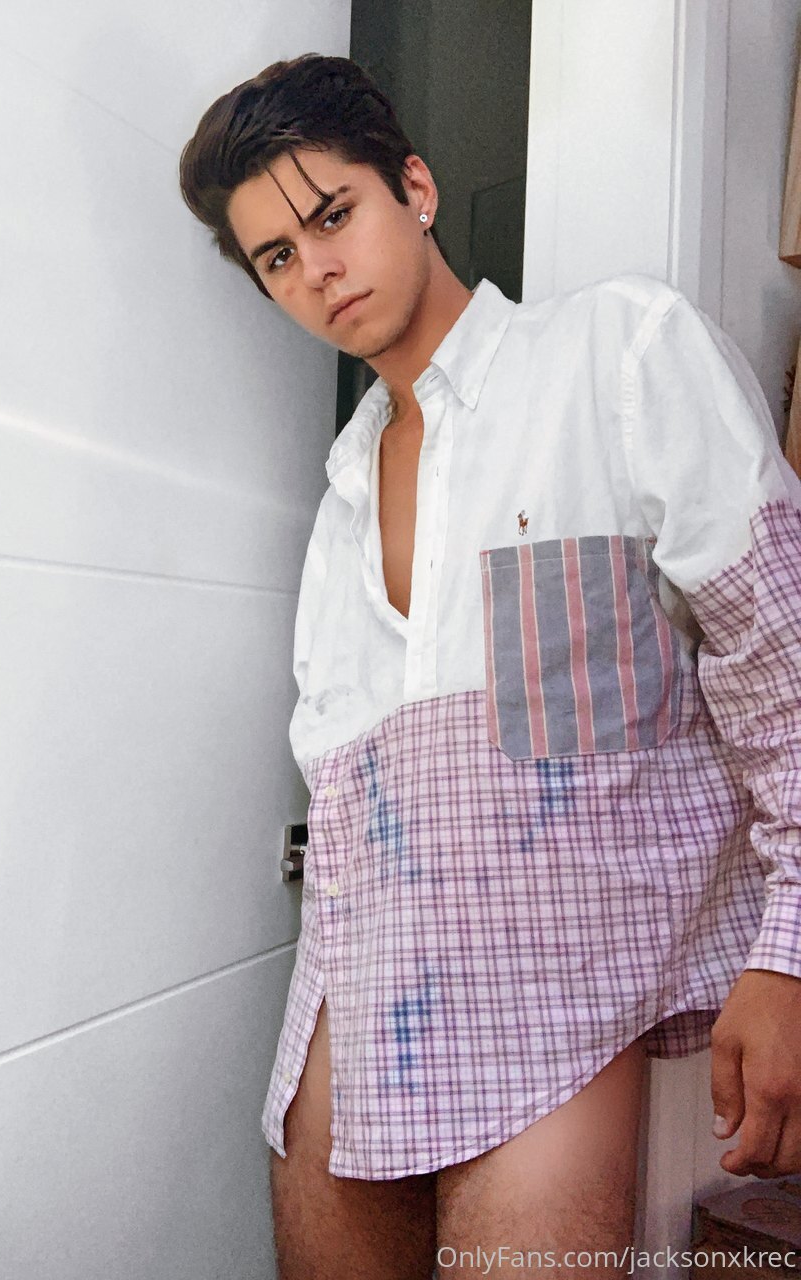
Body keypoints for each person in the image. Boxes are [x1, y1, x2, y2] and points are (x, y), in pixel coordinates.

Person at [179, 53, 801, 1280]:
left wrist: (788, 951)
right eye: (277, 257)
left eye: (331, 215)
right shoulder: (340, 495)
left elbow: (782, 668)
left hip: (556, 1005)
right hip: (353, 997)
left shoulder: (618, 355)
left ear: (414, 189)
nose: (316, 271)